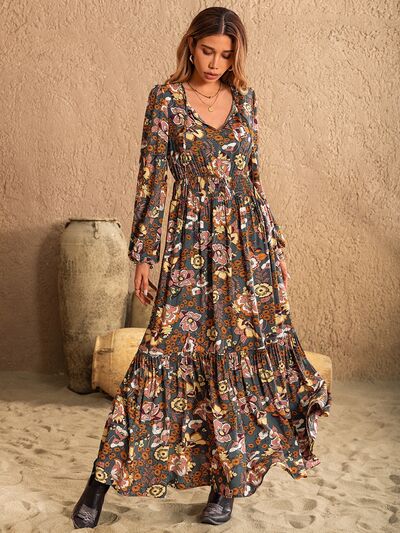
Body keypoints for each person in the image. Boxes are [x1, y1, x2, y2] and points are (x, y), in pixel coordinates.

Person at [72, 6, 332, 529]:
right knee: (160, 354)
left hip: (248, 250)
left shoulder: (247, 100)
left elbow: (253, 179)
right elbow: (152, 180)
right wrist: (144, 254)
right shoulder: (165, 99)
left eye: (226, 55)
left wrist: (274, 248)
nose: (215, 63)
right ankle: (98, 484)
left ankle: (224, 487)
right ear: (190, 45)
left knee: (235, 360)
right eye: (208, 51)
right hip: (190, 244)